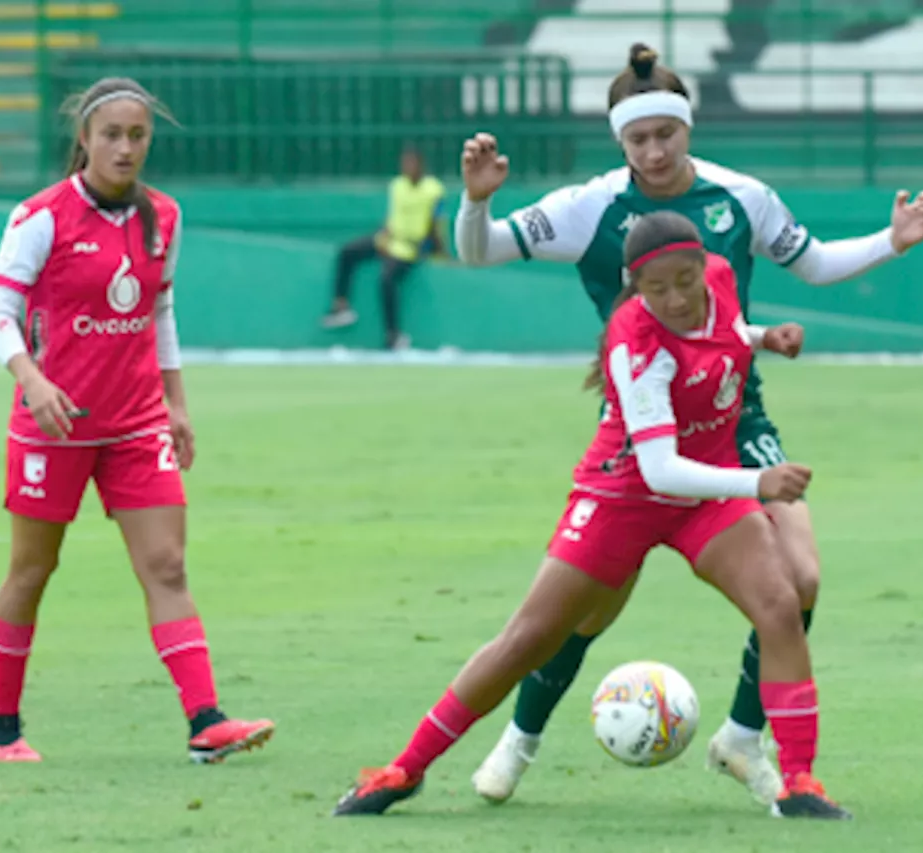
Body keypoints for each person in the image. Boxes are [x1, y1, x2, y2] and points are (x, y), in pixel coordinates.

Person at [455, 43, 923, 806]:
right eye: (637, 139)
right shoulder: (590, 206)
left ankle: (743, 740)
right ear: (620, 142)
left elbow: (810, 261)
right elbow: (477, 252)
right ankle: (520, 740)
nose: (653, 151)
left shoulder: (741, 197)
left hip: (734, 411)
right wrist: (476, 201)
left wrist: (893, 241)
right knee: (586, 609)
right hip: (642, 427)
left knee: (800, 579)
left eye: (665, 135)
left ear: (687, 129)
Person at [334, 212, 849, 820]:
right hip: (624, 496)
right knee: (528, 638)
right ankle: (404, 769)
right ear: (634, 284)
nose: (677, 298)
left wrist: (763, 338)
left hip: (706, 498)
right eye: (658, 289)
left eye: (686, 280)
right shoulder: (636, 342)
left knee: (780, 605)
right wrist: (757, 481)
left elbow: (724, 327)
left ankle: (799, 783)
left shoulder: (719, 277)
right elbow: (660, 470)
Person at [0, 76, 275, 764]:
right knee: (32, 569)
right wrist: (32, 379)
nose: (125, 146)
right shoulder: (40, 216)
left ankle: (206, 719)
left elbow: (160, 309)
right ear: (83, 139)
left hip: (137, 421)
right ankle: (0, 726)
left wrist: (176, 401)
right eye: (111, 134)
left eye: (137, 135)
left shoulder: (164, 216)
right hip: (55, 426)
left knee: (167, 564)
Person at [320, 145, 446, 350]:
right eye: (404, 163)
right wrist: (384, 236)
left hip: (410, 250)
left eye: (412, 162)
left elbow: (436, 224)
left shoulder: (434, 189)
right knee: (347, 252)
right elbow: (393, 216)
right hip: (389, 241)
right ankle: (341, 307)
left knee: (386, 279)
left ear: (421, 164)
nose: (407, 167)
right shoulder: (397, 185)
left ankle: (393, 335)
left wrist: (438, 252)